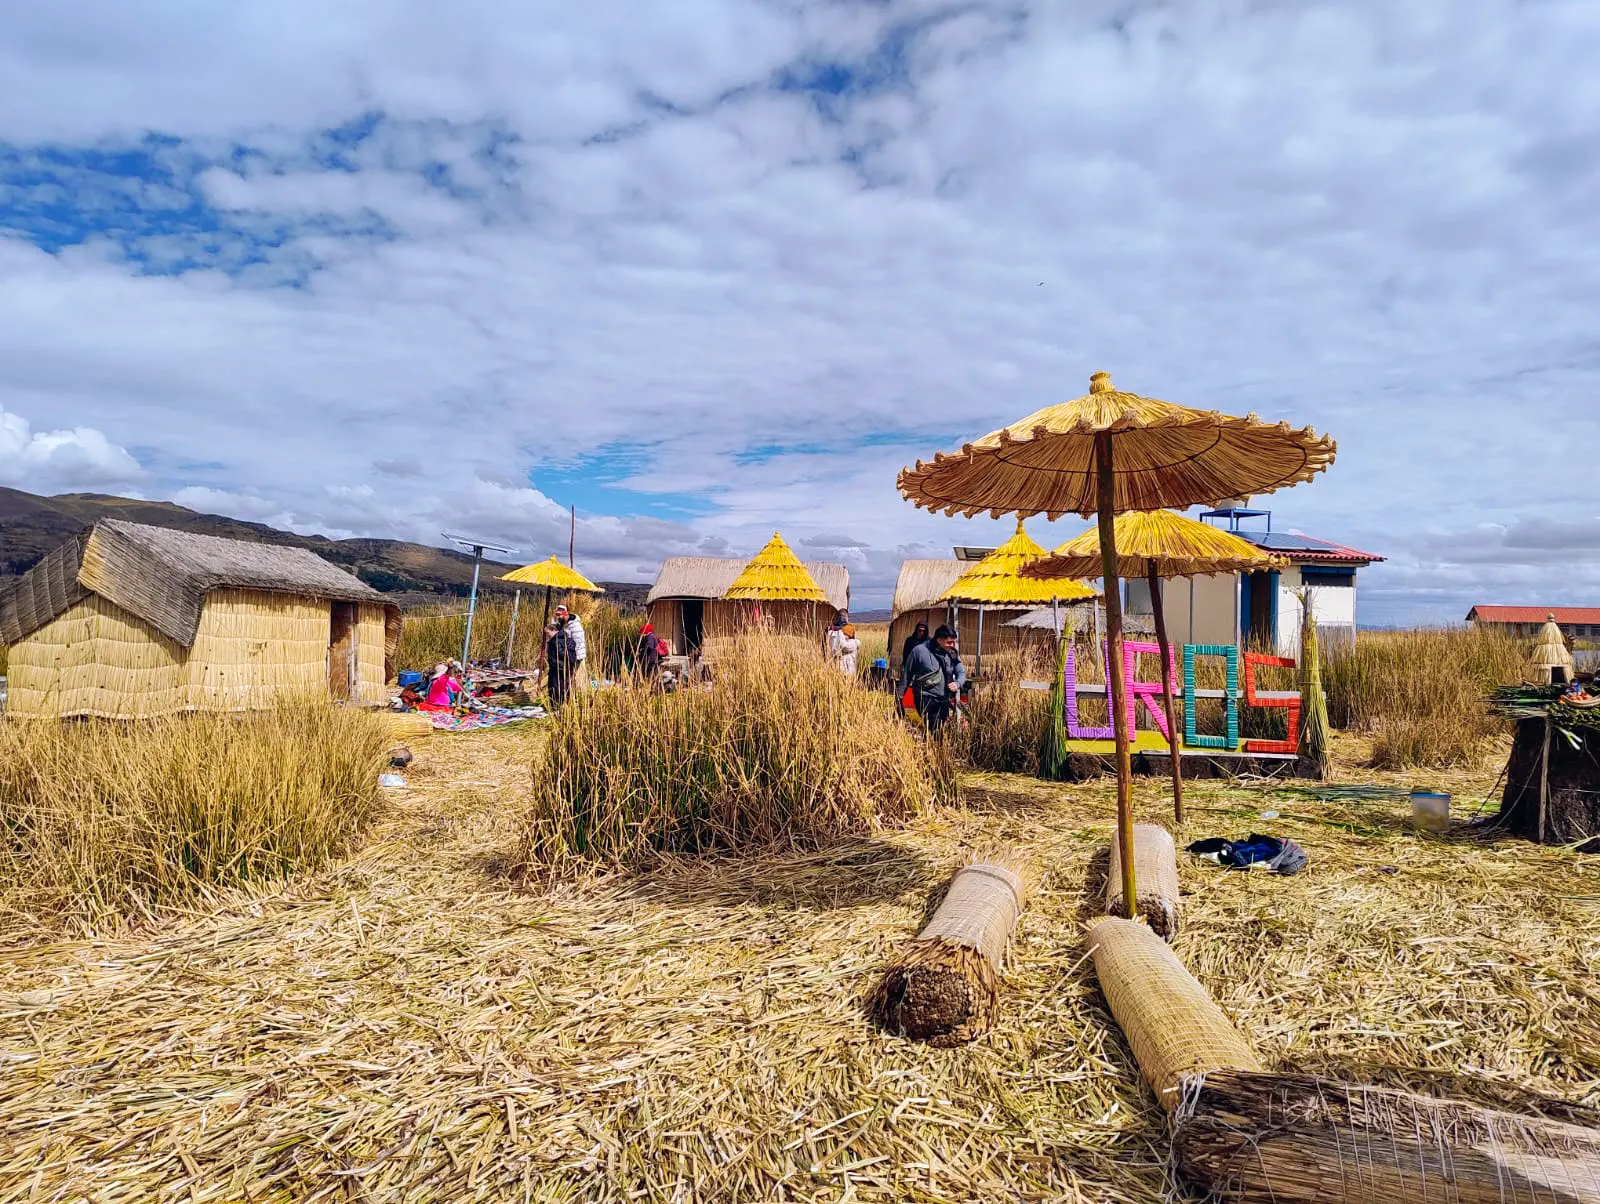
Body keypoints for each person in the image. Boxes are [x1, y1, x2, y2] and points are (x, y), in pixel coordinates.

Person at [900, 624, 966, 735]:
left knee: (941, 726)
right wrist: (900, 696)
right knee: (934, 726)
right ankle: (932, 748)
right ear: (939, 640)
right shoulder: (919, 651)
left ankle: (933, 746)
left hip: (944, 698)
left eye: (953, 642)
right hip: (925, 696)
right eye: (949, 642)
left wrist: (958, 683)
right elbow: (907, 675)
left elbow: (961, 672)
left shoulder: (952, 653)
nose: (952, 645)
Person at [545, 620, 578, 710]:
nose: (548, 636)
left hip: (558, 669)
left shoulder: (555, 641)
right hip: (567, 668)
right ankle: (568, 704)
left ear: (553, 630)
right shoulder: (567, 638)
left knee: (555, 688)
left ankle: (556, 707)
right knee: (566, 686)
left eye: (548, 633)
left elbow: (561, 653)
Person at [554, 604, 587, 684]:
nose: (557, 617)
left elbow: (578, 642)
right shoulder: (563, 624)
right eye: (556, 615)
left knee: (570, 678)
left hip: (575, 657)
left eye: (559, 615)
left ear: (565, 613)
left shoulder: (575, 625)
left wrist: (570, 656)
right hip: (567, 656)